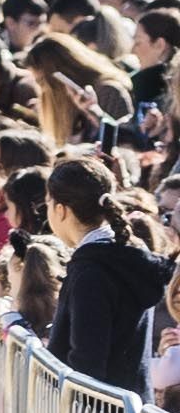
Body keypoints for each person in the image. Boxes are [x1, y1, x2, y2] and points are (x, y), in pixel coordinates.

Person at [44, 158, 174, 391]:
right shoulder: (128, 254)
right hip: (129, 412)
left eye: (47, 204)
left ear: (61, 210)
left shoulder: (92, 271)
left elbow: (87, 363)